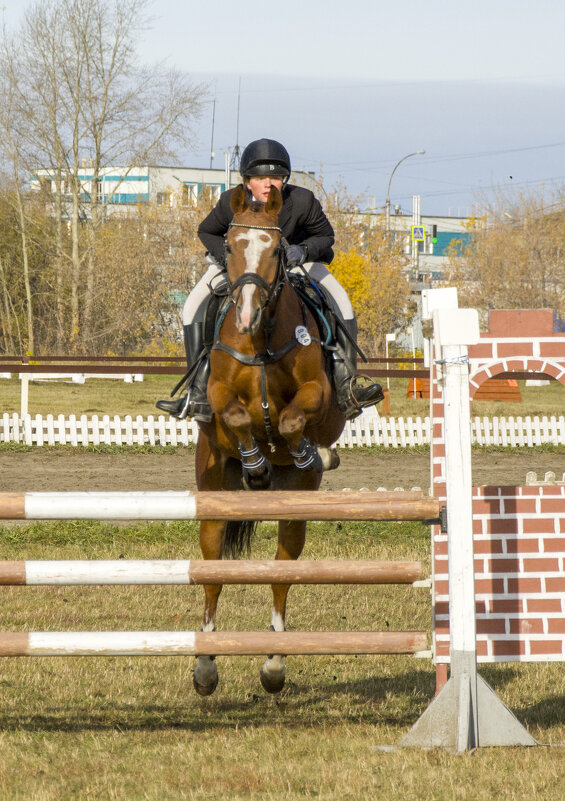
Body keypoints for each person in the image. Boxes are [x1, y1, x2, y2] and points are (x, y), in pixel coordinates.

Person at [157, 138, 383, 422]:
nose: (268, 183)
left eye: (275, 177)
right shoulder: (230, 201)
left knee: (342, 301)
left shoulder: (301, 201)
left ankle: (346, 383)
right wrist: (231, 259)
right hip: (243, 267)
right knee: (191, 306)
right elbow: (207, 232)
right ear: (247, 181)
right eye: (260, 177)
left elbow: (326, 236)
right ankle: (197, 391)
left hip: (297, 264)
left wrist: (303, 250)